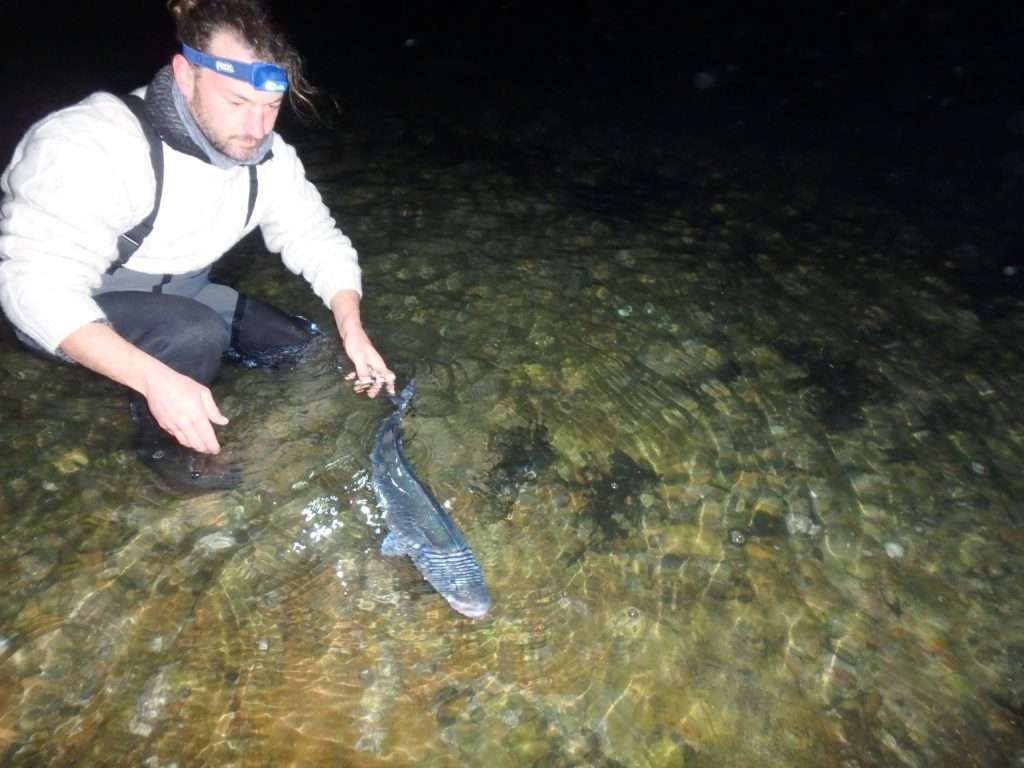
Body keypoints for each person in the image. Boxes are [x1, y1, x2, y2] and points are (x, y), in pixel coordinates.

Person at [0, 0, 395, 492]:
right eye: (236, 103)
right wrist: (153, 379)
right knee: (195, 334)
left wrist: (353, 329)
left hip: (185, 293)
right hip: (82, 307)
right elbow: (31, 288)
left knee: (305, 349)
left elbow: (317, 238)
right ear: (186, 77)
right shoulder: (91, 142)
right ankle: (180, 470)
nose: (257, 130)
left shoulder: (270, 159)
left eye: (270, 108)